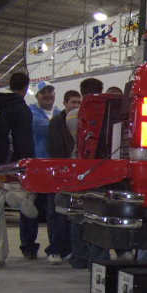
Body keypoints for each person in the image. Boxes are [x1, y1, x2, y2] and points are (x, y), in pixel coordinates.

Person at [0, 73, 36, 268]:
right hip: (6, 163)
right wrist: (25, 165)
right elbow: (23, 140)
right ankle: (17, 196)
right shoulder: (19, 107)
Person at [66, 78, 109, 269]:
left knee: (78, 213)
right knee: (98, 214)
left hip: (79, 167)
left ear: (82, 92)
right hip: (102, 168)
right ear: (101, 89)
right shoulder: (109, 110)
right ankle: (99, 258)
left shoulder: (73, 115)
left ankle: (79, 257)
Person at [20, 81, 61, 259]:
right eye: (44, 93)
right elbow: (45, 128)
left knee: (53, 211)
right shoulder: (31, 113)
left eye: (50, 92)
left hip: (54, 170)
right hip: (35, 168)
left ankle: (55, 248)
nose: (48, 95)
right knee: (30, 210)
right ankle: (28, 247)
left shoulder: (58, 113)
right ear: (37, 96)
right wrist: (61, 124)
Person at [44, 90, 81, 264]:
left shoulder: (79, 120)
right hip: (60, 172)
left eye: (78, 102)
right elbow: (55, 148)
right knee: (57, 214)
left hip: (76, 173)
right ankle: (55, 249)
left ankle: (67, 249)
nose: (76, 106)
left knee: (70, 214)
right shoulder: (56, 122)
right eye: (73, 102)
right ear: (65, 103)